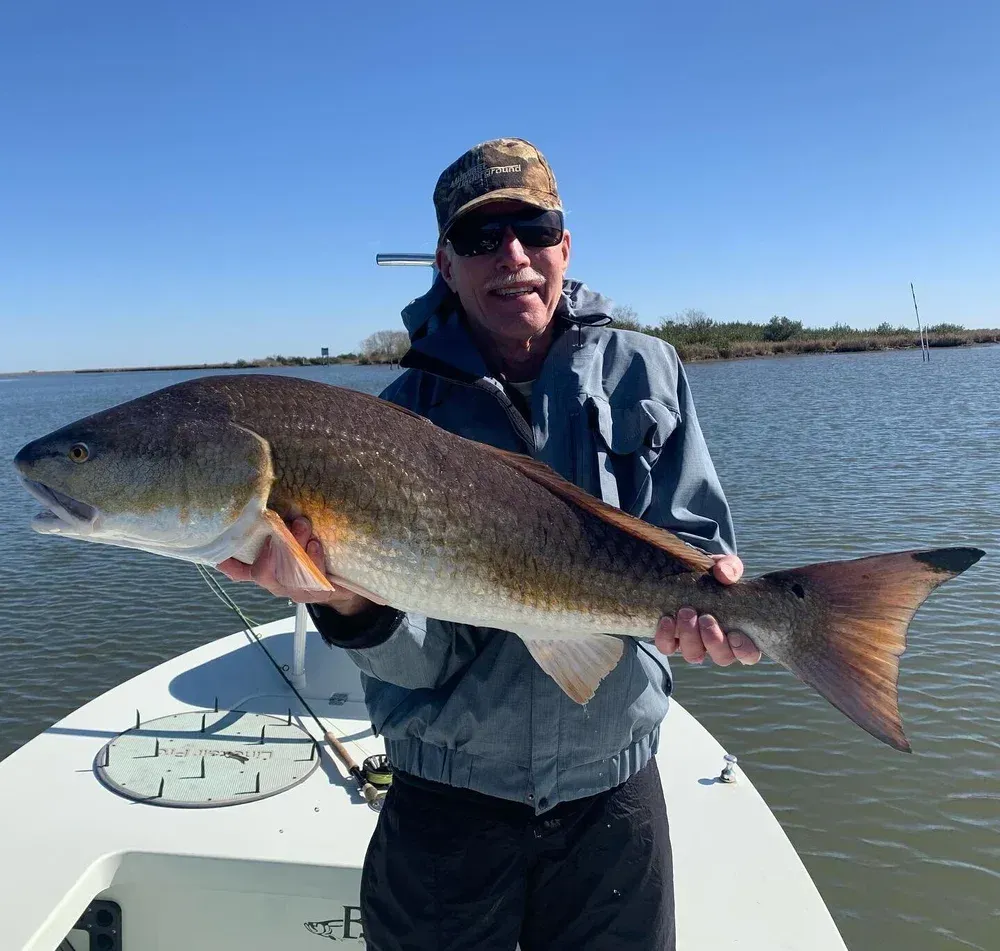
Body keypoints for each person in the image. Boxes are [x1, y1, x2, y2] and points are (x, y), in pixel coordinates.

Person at [219, 137, 760, 951]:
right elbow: (423, 660)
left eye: (533, 227)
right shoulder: (391, 425)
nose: (512, 255)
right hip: (447, 806)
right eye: (479, 237)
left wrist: (712, 598)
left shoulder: (649, 372)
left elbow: (698, 536)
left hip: (611, 797)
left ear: (565, 245)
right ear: (445, 263)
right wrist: (347, 600)